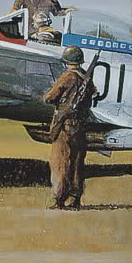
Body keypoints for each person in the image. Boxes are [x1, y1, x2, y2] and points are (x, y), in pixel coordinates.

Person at [43, 46, 97, 210]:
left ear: (67, 61)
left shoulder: (67, 77)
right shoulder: (86, 79)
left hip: (64, 126)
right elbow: (92, 98)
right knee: (77, 163)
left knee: (60, 162)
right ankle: (75, 199)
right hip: (79, 127)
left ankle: (60, 199)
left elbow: (50, 97)